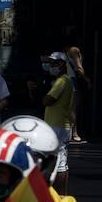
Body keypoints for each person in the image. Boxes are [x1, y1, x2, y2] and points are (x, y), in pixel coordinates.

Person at [41, 51, 76, 194]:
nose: (51, 66)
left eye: (54, 64)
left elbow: (47, 100)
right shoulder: (62, 80)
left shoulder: (62, 81)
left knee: (60, 162)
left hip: (58, 125)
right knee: (61, 162)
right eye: (50, 64)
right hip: (59, 125)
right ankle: (61, 195)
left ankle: (61, 195)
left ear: (62, 64)